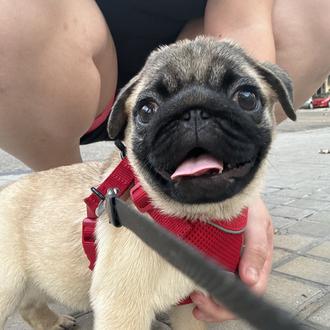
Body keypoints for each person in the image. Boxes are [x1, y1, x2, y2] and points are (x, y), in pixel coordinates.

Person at [0, 0, 329, 323]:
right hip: (71, 67)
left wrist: (246, 199)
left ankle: (39, 314)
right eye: (147, 109)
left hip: (200, 34)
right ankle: (67, 190)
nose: (195, 119)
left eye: (244, 98)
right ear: (125, 126)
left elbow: (243, 20)